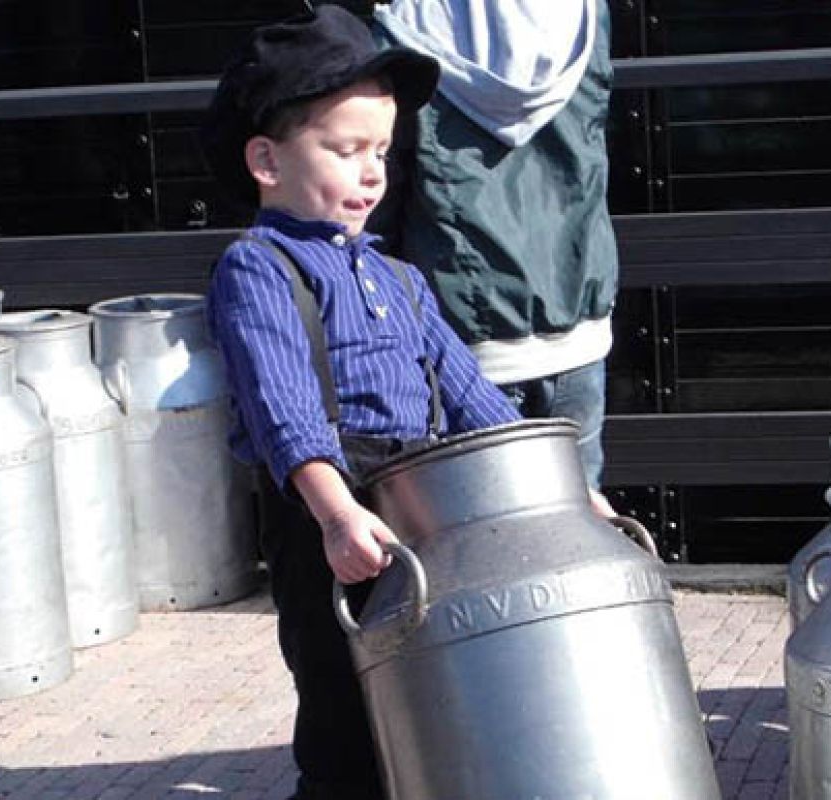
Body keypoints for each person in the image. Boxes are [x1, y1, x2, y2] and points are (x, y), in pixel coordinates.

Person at [199, 7, 524, 798]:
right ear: (267, 161)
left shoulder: (397, 276)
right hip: (326, 508)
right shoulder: (259, 268)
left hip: (418, 494)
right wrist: (336, 513)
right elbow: (283, 409)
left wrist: (548, 481)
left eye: (379, 149)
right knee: (342, 698)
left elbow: (472, 394)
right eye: (345, 150)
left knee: (422, 684)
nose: (372, 171)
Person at [369, 0, 617, 488]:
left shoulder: (406, 32)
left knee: (482, 547)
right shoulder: (585, 18)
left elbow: (380, 200)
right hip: (580, 333)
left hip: (463, 348)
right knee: (576, 533)